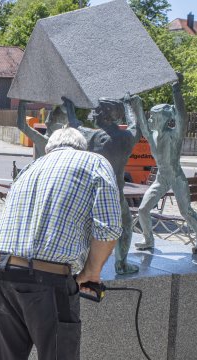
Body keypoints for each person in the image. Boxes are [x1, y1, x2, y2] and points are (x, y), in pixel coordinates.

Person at [0, 126, 123, 360]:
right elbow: (108, 226)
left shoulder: (32, 167)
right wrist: (91, 271)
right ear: (82, 146)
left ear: (50, 148)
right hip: (47, 278)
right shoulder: (93, 162)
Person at [128, 74, 197, 252]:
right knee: (143, 210)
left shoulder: (174, 135)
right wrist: (137, 105)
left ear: (164, 119)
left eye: (154, 117)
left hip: (176, 177)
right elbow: (142, 124)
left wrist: (176, 89)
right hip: (161, 178)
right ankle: (148, 239)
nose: (150, 120)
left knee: (185, 211)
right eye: (150, 117)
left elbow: (182, 117)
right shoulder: (153, 135)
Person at [66, 97, 141, 274]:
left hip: (89, 191)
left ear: (106, 115)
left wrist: (70, 106)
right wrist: (129, 105)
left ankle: (78, 263)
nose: (94, 115)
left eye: (97, 111)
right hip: (114, 193)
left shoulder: (90, 135)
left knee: (84, 227)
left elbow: (74, 123)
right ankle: (121, 264)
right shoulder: (125, 138)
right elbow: (136, 126)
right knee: (125, 225)